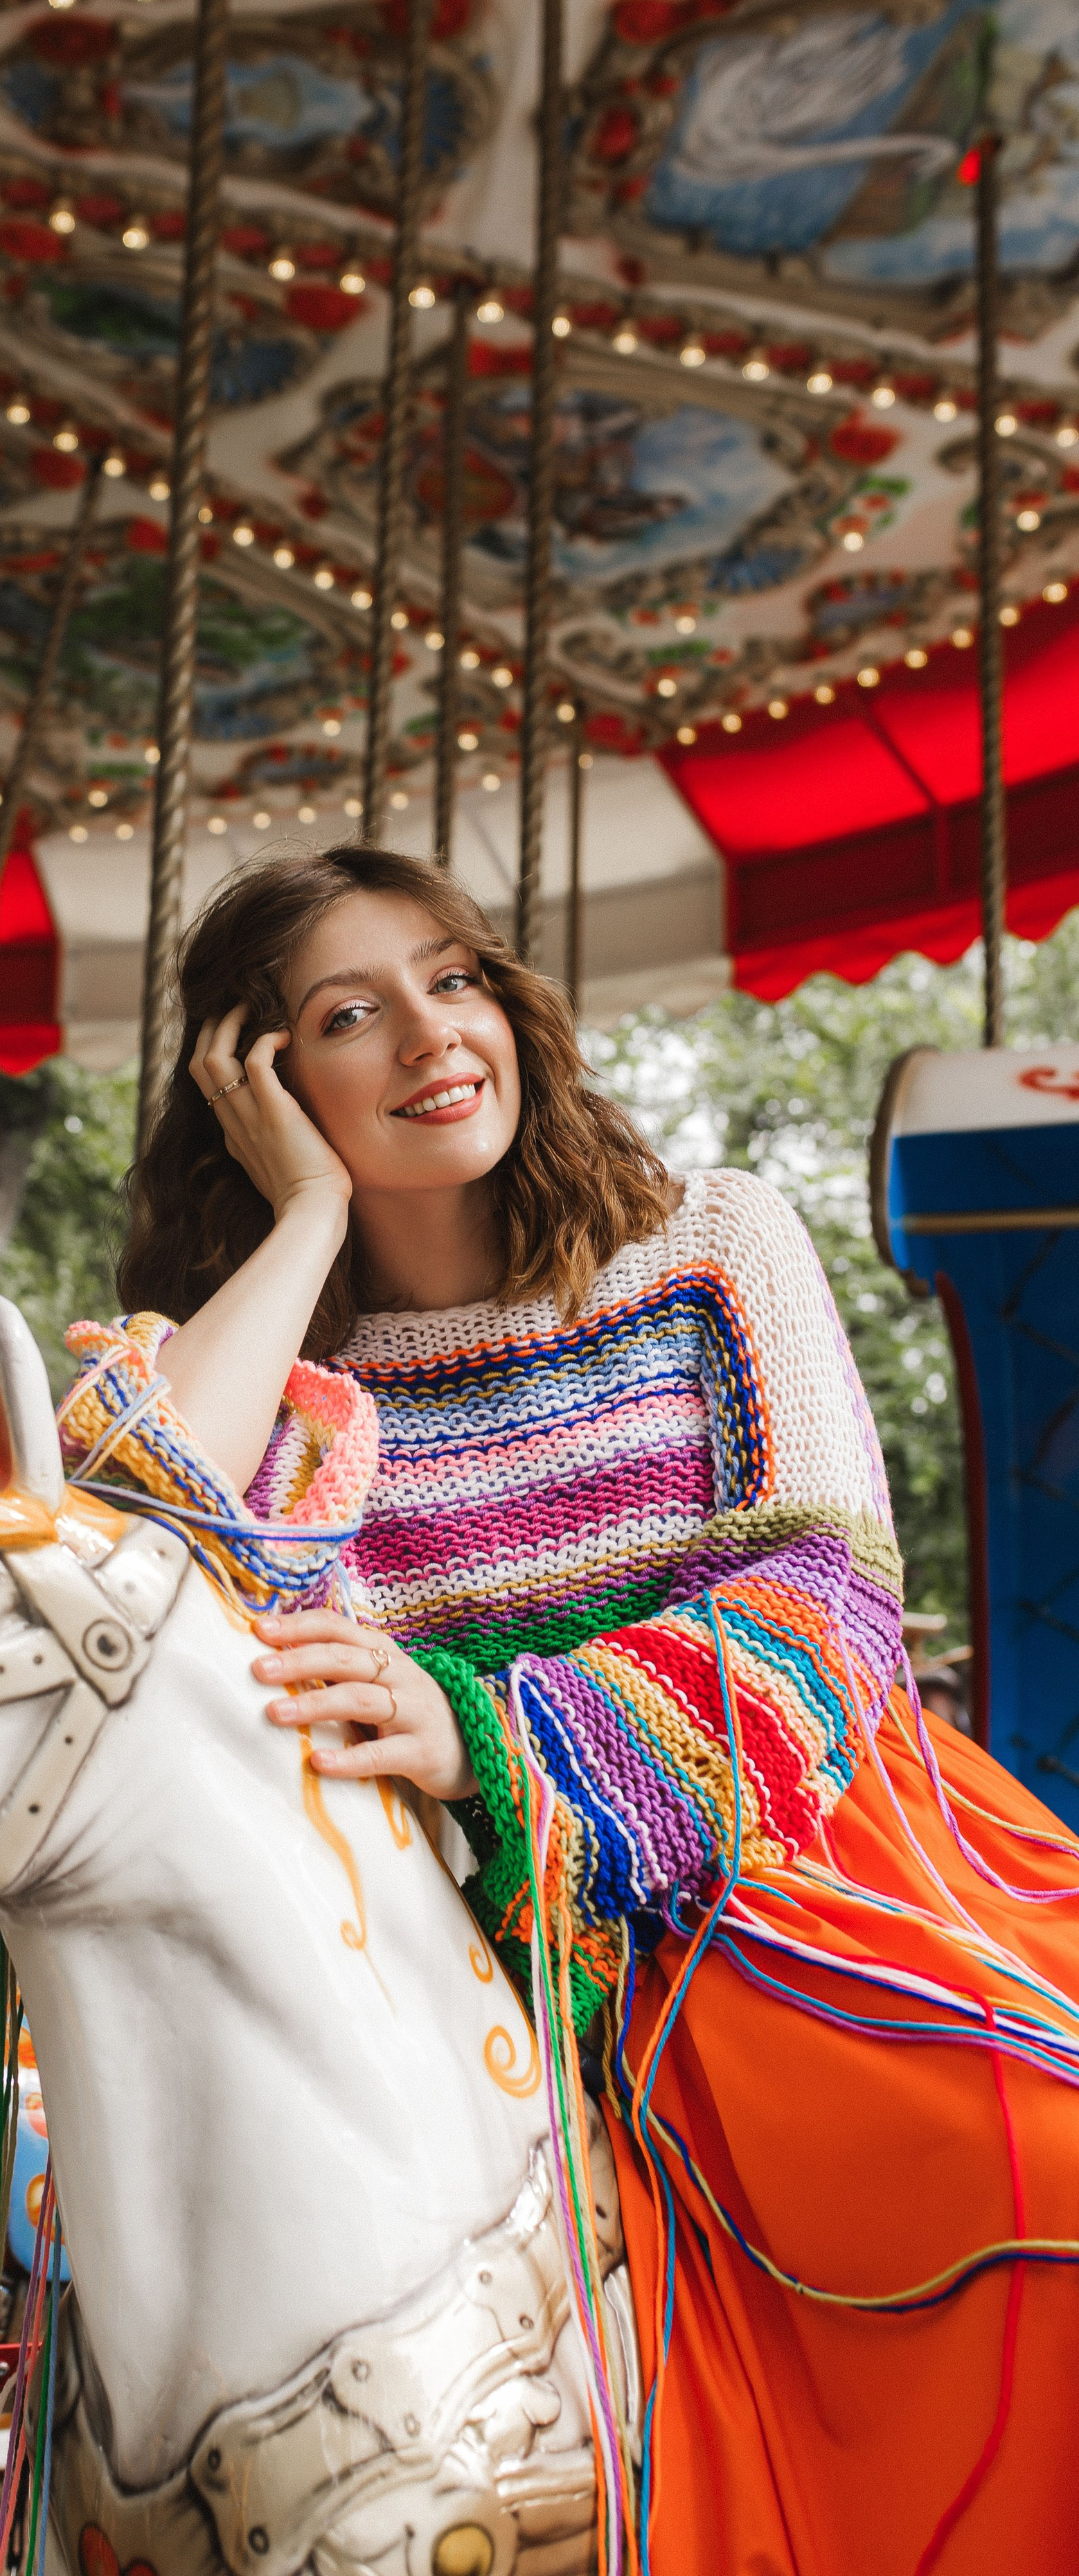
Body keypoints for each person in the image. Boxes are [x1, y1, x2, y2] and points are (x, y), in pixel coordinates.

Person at [57, 845, 1079, 2576]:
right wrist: (303, 1223)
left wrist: (495, 1735)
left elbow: (824, 1597)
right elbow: (113, 1567)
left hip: (774, 1867)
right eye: (344, 1016)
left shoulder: (703, 1246)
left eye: (451, 980)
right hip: (419, 1945)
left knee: (1038, 2175)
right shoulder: (267, 1363)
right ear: (259, 1084)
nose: (427, 1038)